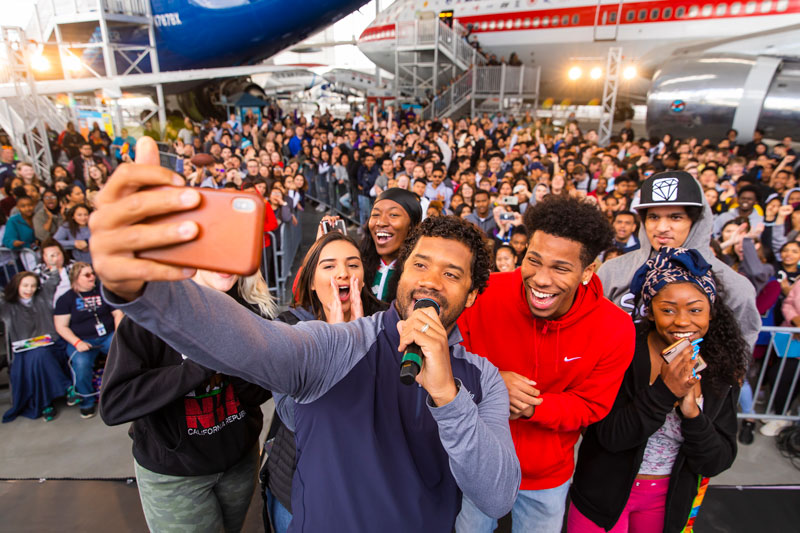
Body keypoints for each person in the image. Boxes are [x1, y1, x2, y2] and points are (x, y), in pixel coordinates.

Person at [89, 139, 520, 532]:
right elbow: (253, 342)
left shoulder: (483, 380)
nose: (430, 282)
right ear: (400, 273)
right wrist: (145, 288)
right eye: (420, 265)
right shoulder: (341, 344)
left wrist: (448, 396)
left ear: (473, 293)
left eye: (451, 274)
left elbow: (497, 495)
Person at [455, 195, 635, 533]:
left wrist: (531, 407)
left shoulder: (615, 328)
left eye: (560, 268)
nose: (540, 278)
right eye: (533, 260)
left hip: (547, 478)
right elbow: (447, 359)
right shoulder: (484, 293)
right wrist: (490, 383)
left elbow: (592, 405)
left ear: (588, 271)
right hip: (478, 463)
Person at [568, 247, 746, 533]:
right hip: (601, 496)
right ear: (650, 311)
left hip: (667, 501)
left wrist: (692, 414)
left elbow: (717, 460)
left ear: (711, 314)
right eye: (668, 310)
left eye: (696, 309)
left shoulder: (721, 372)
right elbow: (607, 436)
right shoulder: (622, 350)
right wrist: (664, 391)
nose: (683, 321)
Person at [100, 269, 275, 533]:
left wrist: (234, 360)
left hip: (239, 462)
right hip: (175, 475)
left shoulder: (250, 306)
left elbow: (259, 394)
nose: (226, 263)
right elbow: (115, 404)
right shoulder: (151, 316)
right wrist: (199, 366)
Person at [263, 231, 387, 532]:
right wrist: (336, 341)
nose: (342, 273)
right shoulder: (288, 329)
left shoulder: (385, 324)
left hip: (367, 486)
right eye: (329, 266)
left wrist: (358, 337)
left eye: (353, 264)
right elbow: (295, 418)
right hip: (300, 483)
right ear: (311, 281)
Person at [598, 171, 760, 349]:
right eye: (653, 217)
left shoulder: (733, 286)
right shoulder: (612, 271)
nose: (661, 228)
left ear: (696, 221)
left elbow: (737, 358)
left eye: (675, 217)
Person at [1, 270, 73, 422]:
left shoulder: (42, 296)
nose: (29, 289)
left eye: (33, 286)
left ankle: (45, 404)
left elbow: (54, 279)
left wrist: (53, 265)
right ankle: (67, 387)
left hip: (50, 346)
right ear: (16, 286)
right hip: (24, 351)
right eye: (25, 285)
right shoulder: (7, 305)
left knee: (41, 354)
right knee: (38, 356)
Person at [54, 262, 123, 419]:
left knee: (124, 353)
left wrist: (119, 336)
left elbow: (118, 314)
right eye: (87, 275)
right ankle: (87, 401)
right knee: (81, 364)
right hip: (82, 340)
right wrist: (77, 342)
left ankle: (124, 393)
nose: (92, 277)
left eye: (92, 273)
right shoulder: (66, 299)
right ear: (75, 278)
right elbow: (61, 326)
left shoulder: (103, 291)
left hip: (108, 335)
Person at [360, 188, 422, 302]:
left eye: (393, 215)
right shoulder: (358, 264)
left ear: (412, 225)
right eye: (375, 214)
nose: (381, 222)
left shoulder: (421, 276)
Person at [33, 238, 74, 306]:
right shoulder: (38, 272)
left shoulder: (73, 266)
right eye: (51, 256)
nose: (56, 258)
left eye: (58, 254)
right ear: (44, 257)